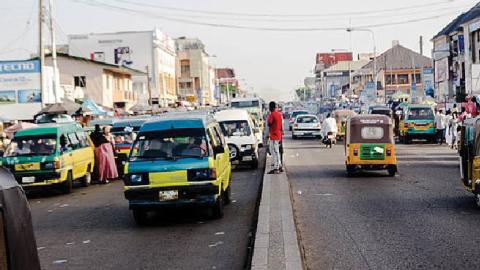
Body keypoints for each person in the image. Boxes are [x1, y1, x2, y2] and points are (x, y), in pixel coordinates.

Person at [267, 101, 283, 174]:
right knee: (276, 151)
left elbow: (269, 123)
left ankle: (276, 168)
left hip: (274, 135)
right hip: (278, 135)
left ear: (271, 107)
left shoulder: (272, 114)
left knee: (274, 151)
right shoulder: (279, 114)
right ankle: (279, 165)